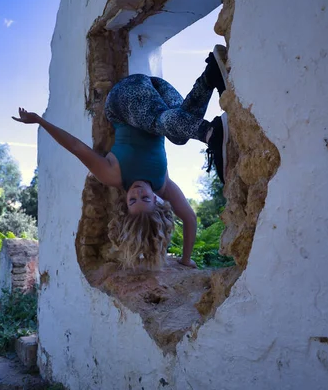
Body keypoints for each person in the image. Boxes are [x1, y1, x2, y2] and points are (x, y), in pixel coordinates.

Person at [13, 46, 229, 269]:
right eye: (144, 198)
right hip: (156, 92)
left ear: (125, 203)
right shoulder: (162, 185)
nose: (137, 193)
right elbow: (190, 219)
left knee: (163, 123)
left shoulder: (112, 175)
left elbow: (77, 147)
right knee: (178, 134)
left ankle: (210, 134)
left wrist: (40, 121)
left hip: (123, 98)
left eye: (132, 200)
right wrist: (185, 259)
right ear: (156, 200)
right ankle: (210, 75)